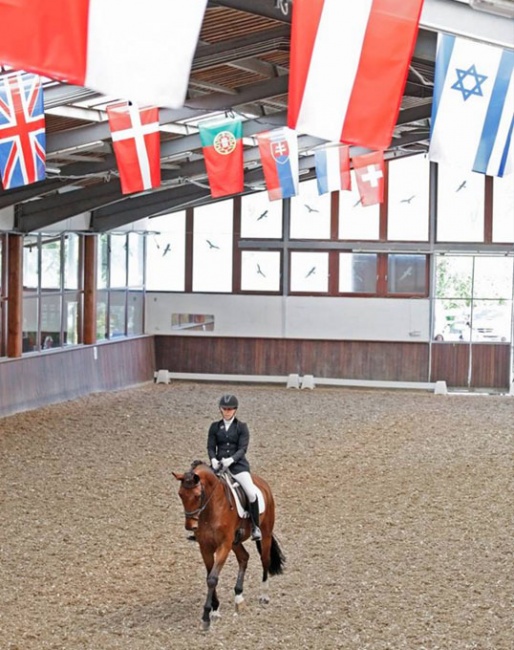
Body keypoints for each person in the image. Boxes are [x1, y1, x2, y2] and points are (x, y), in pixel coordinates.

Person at [207, 394, 262, 541]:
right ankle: (200, 526)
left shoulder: (241, 427)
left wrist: (231, 460)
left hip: (238, 466)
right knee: (203, 489)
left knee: (251, 492)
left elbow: (242, 449)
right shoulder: (214, 427)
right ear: (220, 410)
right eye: (224, 409)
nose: (227, 412)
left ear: (235, 410)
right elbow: (211, 446)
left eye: (230, 409)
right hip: (218, 466)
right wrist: (213, 459)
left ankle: (256, 527)